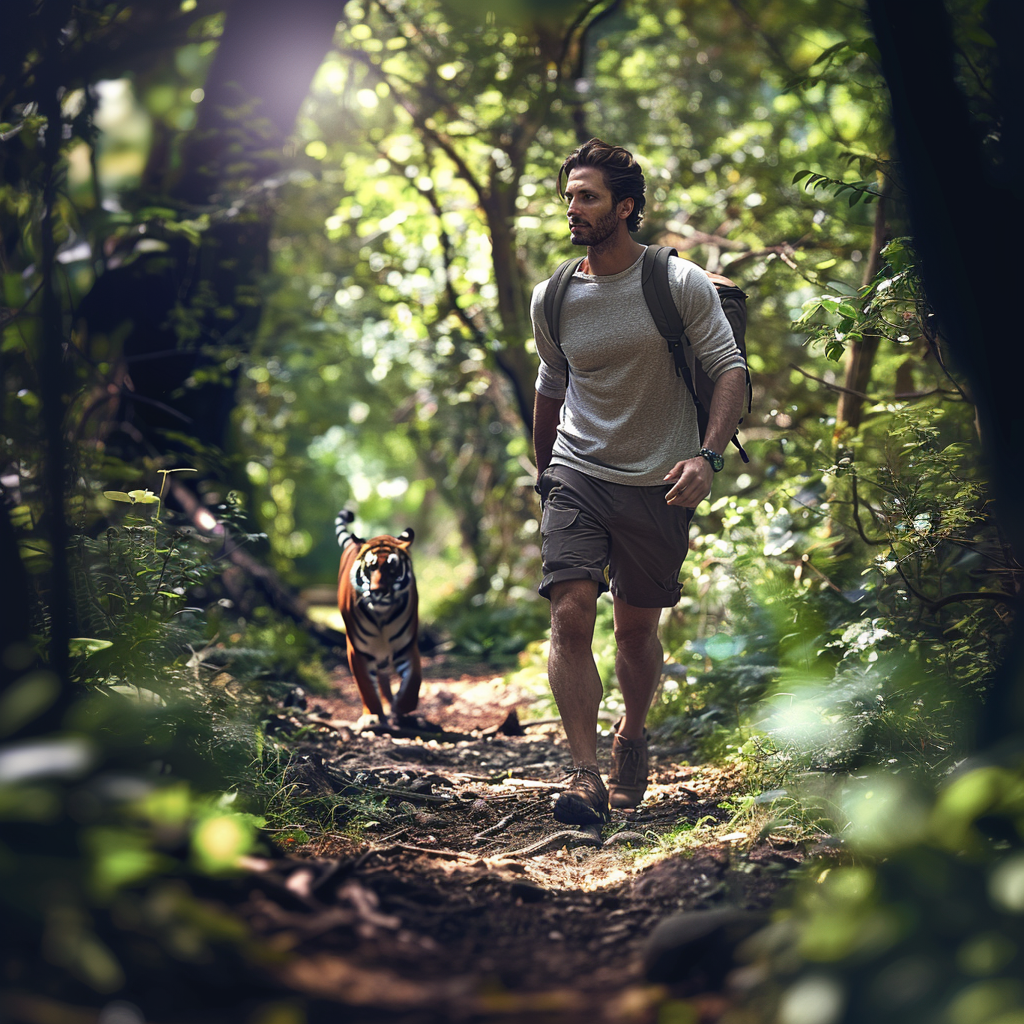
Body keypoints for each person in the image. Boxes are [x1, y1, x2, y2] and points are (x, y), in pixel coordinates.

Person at [531, 139, 748, 825]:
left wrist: (707, 458)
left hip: (659, 479)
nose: (573, 208)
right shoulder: (554, 296)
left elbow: (730, 370)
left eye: (587, 196)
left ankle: (632, 734)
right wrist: (546, 478)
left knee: (634, 632)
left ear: (624, 207)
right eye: (569, 195)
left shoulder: (675, 284)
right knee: (570, 608)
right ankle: (583, 772)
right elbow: (549, 387)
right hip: (578, 471)